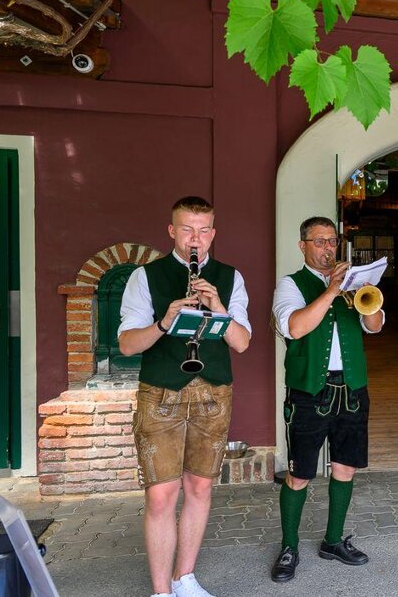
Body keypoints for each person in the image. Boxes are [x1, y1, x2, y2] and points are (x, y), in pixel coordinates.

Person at [118, 196, 252, 597]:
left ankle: (185, 579)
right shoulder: (146, 277)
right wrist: (165, 322)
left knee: (200, 488)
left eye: (204, 230)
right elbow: (127, 345)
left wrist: (218, 306)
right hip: (160, 394)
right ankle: (161, 592)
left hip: (214, 393)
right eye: (187, 230)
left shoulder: (230, 277)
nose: (196, 239)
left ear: (214, 232)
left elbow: (242, 343)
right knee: (161, 495)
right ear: (172, 231)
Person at [269, 216, 385, 583]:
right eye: (319, 242)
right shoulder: (290, 285)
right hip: (308, 391)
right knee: (300, 473)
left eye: (332, 241)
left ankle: (333, 541)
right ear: (302, 246)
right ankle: (289, 545)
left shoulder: (353, 284)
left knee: (345, 467)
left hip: (352, 388)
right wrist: (332, 290)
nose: (327, 248)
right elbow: (296, 327)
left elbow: (375, 327)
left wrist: (367, 296)